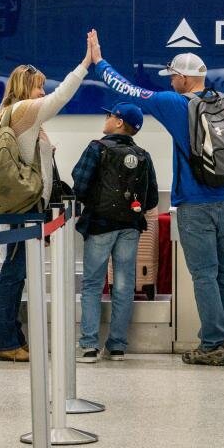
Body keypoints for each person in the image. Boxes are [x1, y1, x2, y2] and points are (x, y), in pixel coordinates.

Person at [88, 30, 224, 367]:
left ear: (186, 78)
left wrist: (99, 63)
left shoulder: (175, 104)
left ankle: (212, 344)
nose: (171, 81)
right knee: (223, 273)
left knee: (204, 274)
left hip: (196, 204)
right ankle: (222, 336)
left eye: (173, 76)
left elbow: (127, 90)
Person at [0, 42, 92, 362]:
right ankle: (4, 342)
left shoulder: (17, 115)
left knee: (17, 271)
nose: (42, 93)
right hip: (24, 209)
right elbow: (61, 96)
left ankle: (12, 338)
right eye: (38, 88)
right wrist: (86, 63)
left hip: (28, 208)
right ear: (26, 88)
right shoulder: (23, 111)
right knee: (13, 272)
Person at [72, 102, 158, 363]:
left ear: (119, 122)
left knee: (92, 284)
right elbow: (151, 196)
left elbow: (80, 183)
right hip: (130, 226)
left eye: (109, 115)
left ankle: (88, 345)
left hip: (99, 224)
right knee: (123, 286)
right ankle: (118, 346)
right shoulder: (143, 155)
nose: (106, 118)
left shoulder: (97, 148)